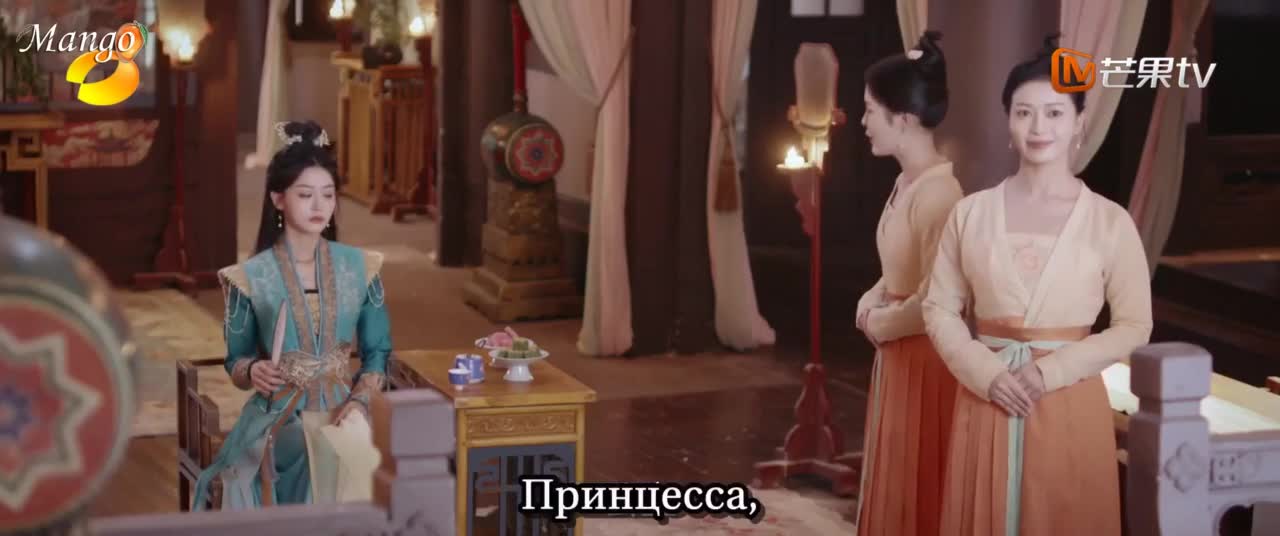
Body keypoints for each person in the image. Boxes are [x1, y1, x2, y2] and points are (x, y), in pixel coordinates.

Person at [922, 34, 1152, 535]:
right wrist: (985, 372)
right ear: (1008, 121)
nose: (1038, 127)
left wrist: (1052, 371)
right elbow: (939, 308)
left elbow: (1135, 325)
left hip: (1069, 402)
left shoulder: (1110, 222)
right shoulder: (971, 213)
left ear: (1079, 123)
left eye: (1054, 113)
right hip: (987, 395)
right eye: (1024, 112)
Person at [190, 120, 392, 510]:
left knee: (358, 451)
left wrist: (359, 402)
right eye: (305, 194)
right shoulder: (250, 277)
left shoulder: (361, 268)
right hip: (280, 416)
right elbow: (237, 360)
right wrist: (253, 370)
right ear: (278, 199)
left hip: (345, 409)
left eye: (328, 195)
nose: (319, 206)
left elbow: (378, 353)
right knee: (319, 451)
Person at [852, 30, 965, 536]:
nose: (863, 122)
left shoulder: (940, 194)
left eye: (870, 111)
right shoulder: (906, 181)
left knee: (915, 478)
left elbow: (937, 296)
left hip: (924, 355)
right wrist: (873, 296)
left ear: (902, 119)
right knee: (893, 474)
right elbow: (900, 268)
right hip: (898, 350)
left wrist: (880, 322)